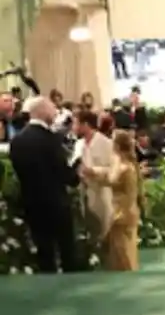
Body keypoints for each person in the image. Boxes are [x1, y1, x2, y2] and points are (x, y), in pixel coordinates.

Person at [9, 96, 80, 272]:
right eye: (51, 108)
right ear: (41, 111)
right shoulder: (51, 139)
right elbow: (62, 171)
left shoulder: (17, 141)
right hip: (56, 202)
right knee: (67, 251)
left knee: (44, 252)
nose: (55, 112)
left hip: (32, 203)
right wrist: (75, 174)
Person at [81, 129, 142, 271]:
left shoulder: (124, 168)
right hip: (126, 211)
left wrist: (91, 173)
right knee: (123, 249)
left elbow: (110, 179)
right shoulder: (128, 165)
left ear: (117, 146)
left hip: (122, 213)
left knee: (122, 252)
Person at [76, 109, 114, 245]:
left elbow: (114, 170)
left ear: (85, 124)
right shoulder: (78, 144)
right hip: (84, 192)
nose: (74, 127)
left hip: (102, 192)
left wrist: (94, 171)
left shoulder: (106, 143)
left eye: (76, 123)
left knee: (105, 228)